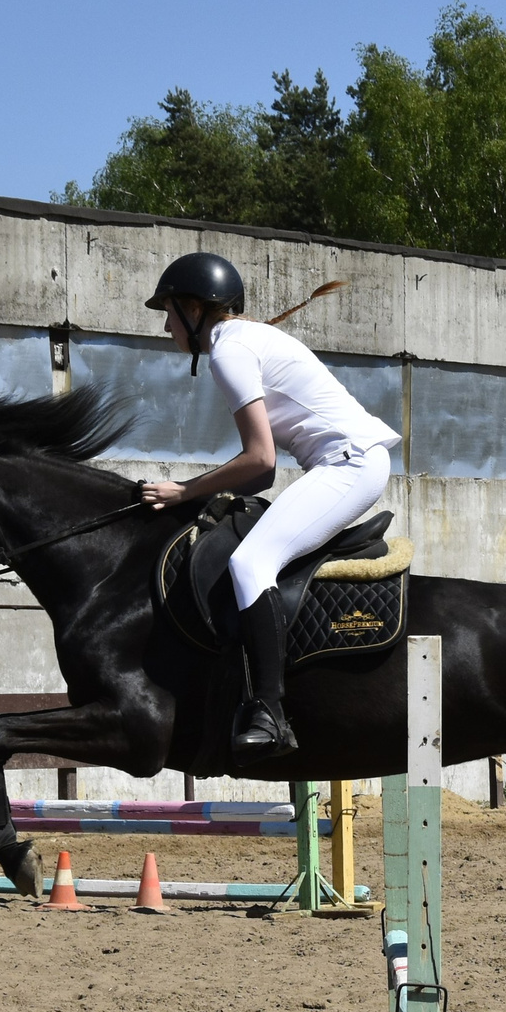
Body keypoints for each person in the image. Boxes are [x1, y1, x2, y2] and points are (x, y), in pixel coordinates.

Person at [137, 252, 402, 762]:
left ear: (195, 309)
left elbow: (260, 463)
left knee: (250, 562)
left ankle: (269, 712)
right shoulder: (245, 340)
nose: (166, 325)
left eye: (168, 311)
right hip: (349, 463)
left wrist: (185, 490)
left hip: (346, 466)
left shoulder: (228, 352)